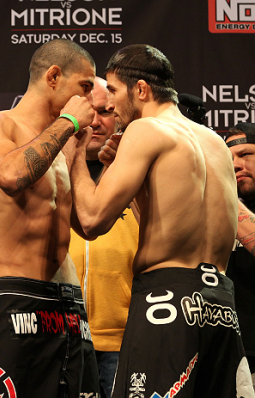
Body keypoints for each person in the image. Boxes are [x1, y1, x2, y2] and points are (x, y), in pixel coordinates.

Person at [63, 44, 255, 397]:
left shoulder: (146, 129)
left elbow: (90, 221)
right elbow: (168, 218)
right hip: (220, 306)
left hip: (166, 303)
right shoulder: (214, 142)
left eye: (115, 91)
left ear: (141, 90)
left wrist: (74, 151)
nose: (111, 106)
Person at [0, 39, 101, 398]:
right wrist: (69, 122)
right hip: (17, 298)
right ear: (54, 76)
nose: (89, 101)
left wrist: (80, 150)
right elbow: (12, 175)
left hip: (71, 305)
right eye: (84, 87)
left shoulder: (63, 142)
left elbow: (88, 224)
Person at [69, 76, 139, 398]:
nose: (96, 121)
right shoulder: (55, 170)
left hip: (125, 338)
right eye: (88, 111)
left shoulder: (138, 171)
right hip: (65, 334)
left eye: (106, 111)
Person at [225, 122, 255, 390]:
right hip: (226, 354)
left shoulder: (222, 203)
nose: (235, 164)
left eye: (245, 155)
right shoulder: (213, 207)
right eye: (228, 158)